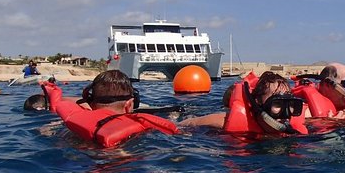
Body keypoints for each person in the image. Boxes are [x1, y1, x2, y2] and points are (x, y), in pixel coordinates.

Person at [41, 70, 178, 147]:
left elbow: (44, 132)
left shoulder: (66, 129)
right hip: (122, 163)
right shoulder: (145, 129)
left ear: (90, 102)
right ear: (129, 104)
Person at [179, 71, 308, 135]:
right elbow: (186, 125)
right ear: (258, 103)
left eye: (290, 105)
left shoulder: (293, 129)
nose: (284, 113)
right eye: (277, 105)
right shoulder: (223, 121)